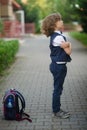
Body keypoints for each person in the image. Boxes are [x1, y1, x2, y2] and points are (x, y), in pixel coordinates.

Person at [41, 13, 72, 119]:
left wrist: (68, 44)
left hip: (58, 65)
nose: (62, 21)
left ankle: (57, 108)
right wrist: (69, 44)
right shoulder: (58, 37)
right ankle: (56, 111)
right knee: (57, 89)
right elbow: (68, 52)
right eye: (59, 20)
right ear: (54, 24)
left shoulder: (59, 35)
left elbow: (67, 48)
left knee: (58, 88)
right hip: (58, 67)